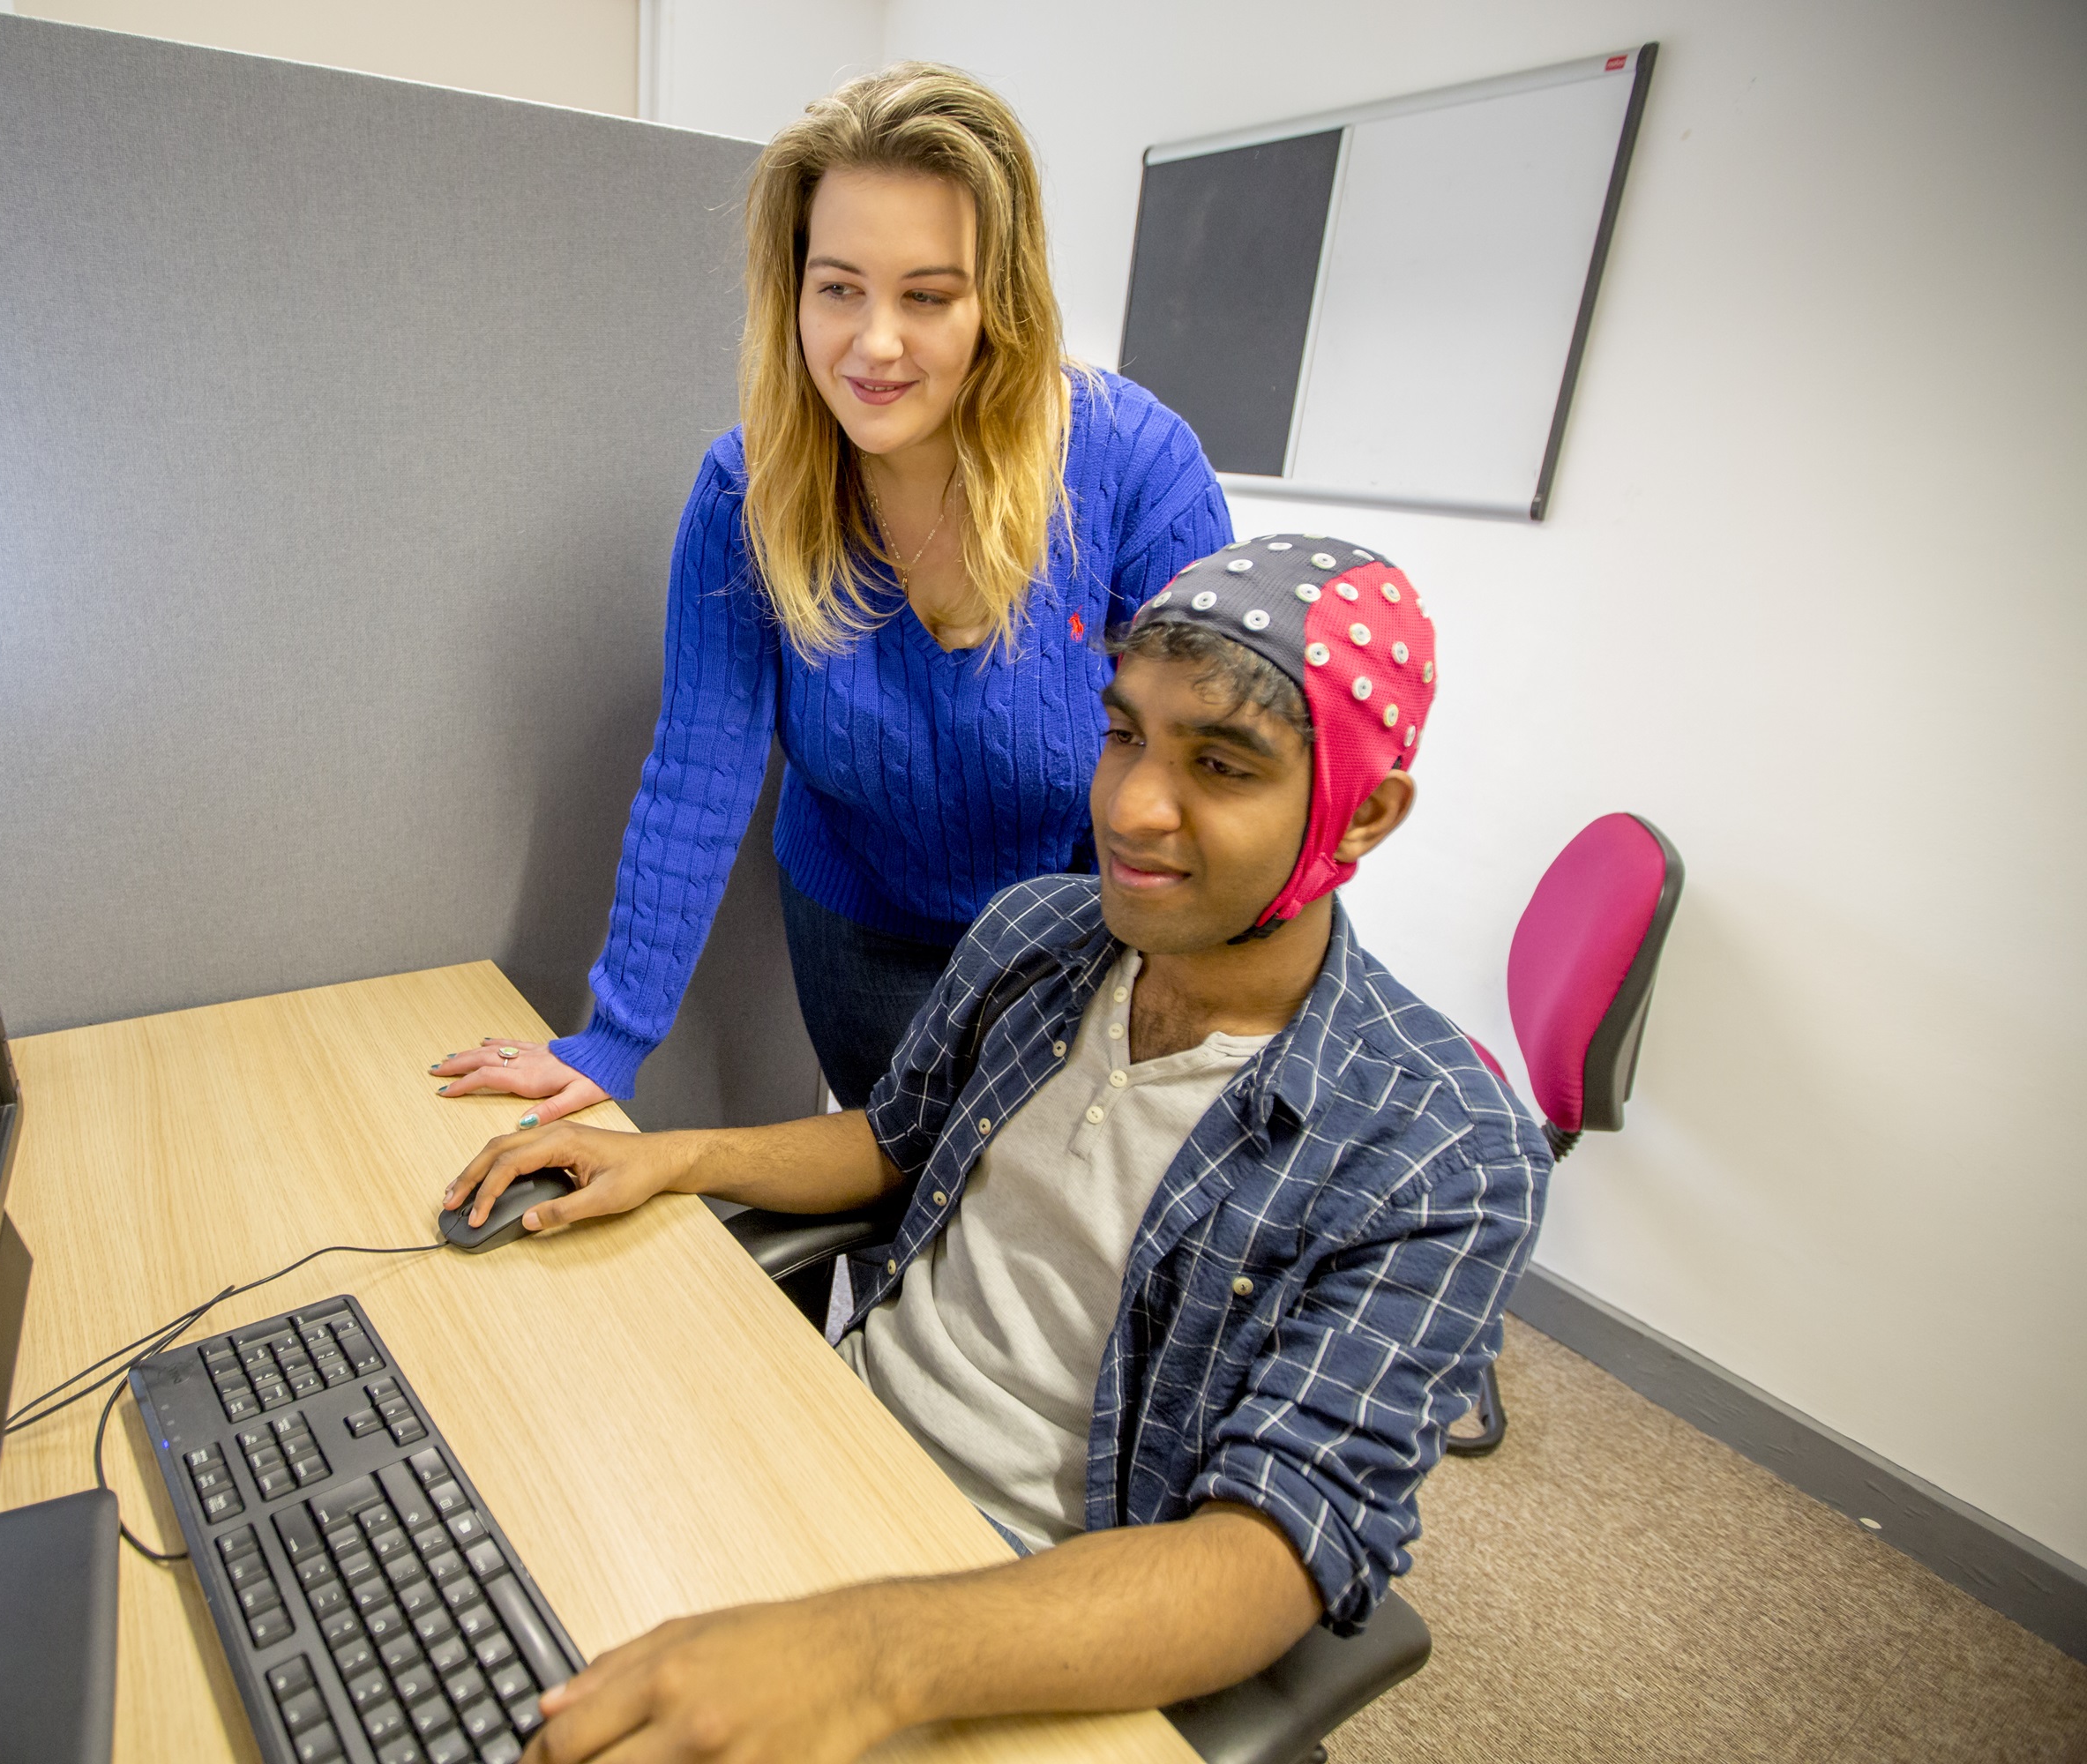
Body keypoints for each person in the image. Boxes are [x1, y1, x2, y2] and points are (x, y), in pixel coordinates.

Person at [444, 536, 1549, 1763]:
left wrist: (863, 1658)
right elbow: (895, 1139)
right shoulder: (1040, 935)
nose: (1130, 807)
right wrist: (676, 1157)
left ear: (1368, 811)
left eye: (1221, 767)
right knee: (483, 1573)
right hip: (837, 1435)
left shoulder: (1442, 1148)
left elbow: (1272, 1551)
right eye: (1124, 734)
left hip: (1037, 1612)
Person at [430, 64, 1231, 1121]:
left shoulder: (1137, 471)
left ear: (1003, 302)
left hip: (1086, 941)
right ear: (793, 286)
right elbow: (698, 770)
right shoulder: (749, 490)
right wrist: (612, 1039)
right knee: (895, 1210)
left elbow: (1212, 782)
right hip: (865, 936)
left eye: (929, 296)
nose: (875, 344)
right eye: (839, 287)